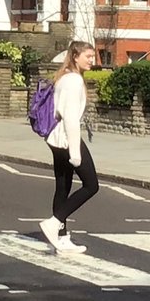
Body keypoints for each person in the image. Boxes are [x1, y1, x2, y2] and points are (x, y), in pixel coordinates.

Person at [38, 40, 99, 256]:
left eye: (92, 56)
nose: (92, 60)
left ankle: (61, 238)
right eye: (88, 56)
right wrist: (75, 153)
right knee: (91, 185)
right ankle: (54, 223)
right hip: (67, 139)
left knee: (62, 186)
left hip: (55, 139)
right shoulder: (73, 81)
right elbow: (71, 119)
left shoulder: (64, 77)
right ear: (75, 56)